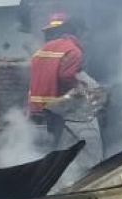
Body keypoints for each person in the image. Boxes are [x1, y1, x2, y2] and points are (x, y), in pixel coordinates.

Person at [28, 13, 86, 144]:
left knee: (34, 147)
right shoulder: (73, 50)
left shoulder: (41, 50)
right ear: (76, 31)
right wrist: (78, 87)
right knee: (53, 147)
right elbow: (66, 76)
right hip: (53, 109)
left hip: (35, 109)